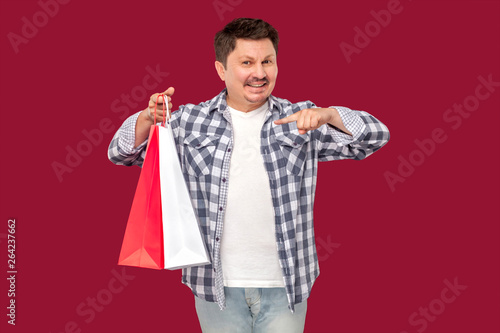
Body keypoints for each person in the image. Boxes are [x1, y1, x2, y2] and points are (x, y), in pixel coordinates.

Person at [108, 17, 390, 333]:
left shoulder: (302, 118)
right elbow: (121, 153)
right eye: (247, 62)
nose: (259, 73)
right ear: (221, 70)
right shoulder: (188, 122)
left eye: (267, 61)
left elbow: (375, 138)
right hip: (215, 287)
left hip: (286, 286)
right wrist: (147, 119)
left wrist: (331, 115)